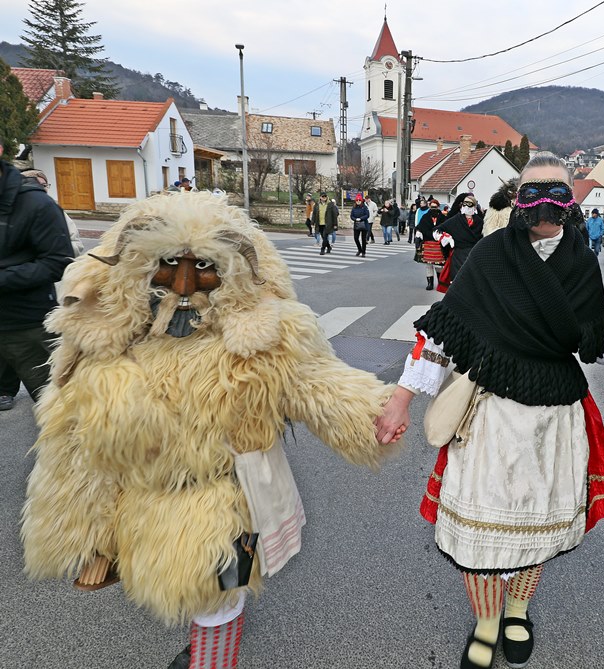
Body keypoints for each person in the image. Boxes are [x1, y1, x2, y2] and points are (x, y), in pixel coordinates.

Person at [20, 192, 395, 669]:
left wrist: (373, 414)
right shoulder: (107, 339)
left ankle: (213, 659)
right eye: (169, 263)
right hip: (140, 497)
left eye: (204, 267)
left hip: (225, 500)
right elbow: (69, 441)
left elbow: (314, 382)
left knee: (223, 594)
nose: (183, 284)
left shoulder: (263, 340)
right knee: (177, 589)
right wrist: (83, 525)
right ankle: (206, 646)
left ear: (235, 271)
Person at [374, 151, 604, 669]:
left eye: (557, 192)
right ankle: (487, 622)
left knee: (537, 528)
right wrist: (401, 398)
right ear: (516, 200)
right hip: (490, 410)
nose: (545, 205)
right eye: (532, 193)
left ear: (572, 202)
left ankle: (517, 612)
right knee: (481, 535)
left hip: (555, 413)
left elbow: (594, 338)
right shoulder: (490, 256)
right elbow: (445, 330)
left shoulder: (581, 262)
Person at [0, 139, 75, 412]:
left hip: (25, 326)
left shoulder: (35, 205)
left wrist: (4, 279)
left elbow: (58, 262)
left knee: (60, 411)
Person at [433, 193, 483, 286]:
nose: (466, 206)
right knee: (457, 283)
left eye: (469, 204)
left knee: (471, 284)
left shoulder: (479, 221)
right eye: (465, 203)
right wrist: (447, 237)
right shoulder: (456, 219)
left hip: (474, 256)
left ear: (475, 206)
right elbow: (437, 230)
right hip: (458, 255)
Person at [414, 198, 446, 290]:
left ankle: (440, 282)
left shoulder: (443, 218)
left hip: (439, 244)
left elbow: (447, 228)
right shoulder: (425, 217)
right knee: (428, 265)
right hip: (428, 243)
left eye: (435, 207)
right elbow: (419, 227)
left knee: (439, 265)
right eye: (431, 207)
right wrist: (418, 237)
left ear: (438, 207)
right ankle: (430, 284)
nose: (433, 209)